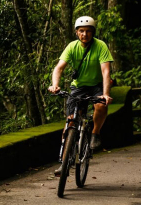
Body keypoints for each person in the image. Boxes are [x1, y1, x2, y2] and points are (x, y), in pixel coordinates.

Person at [48, 16, 114, 176]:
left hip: (97, 85)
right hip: (78, 87)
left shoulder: (100, 46)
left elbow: (106, 71)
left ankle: (95, 133)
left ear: (93, 33)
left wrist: (105, 94)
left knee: (100, 105)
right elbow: (59, 68)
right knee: (70, 122)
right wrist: (55, 85)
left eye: (88, 31)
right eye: (82, 31)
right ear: (77, 33)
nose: (85, 34)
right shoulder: (72, 47)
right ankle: (64, 163)